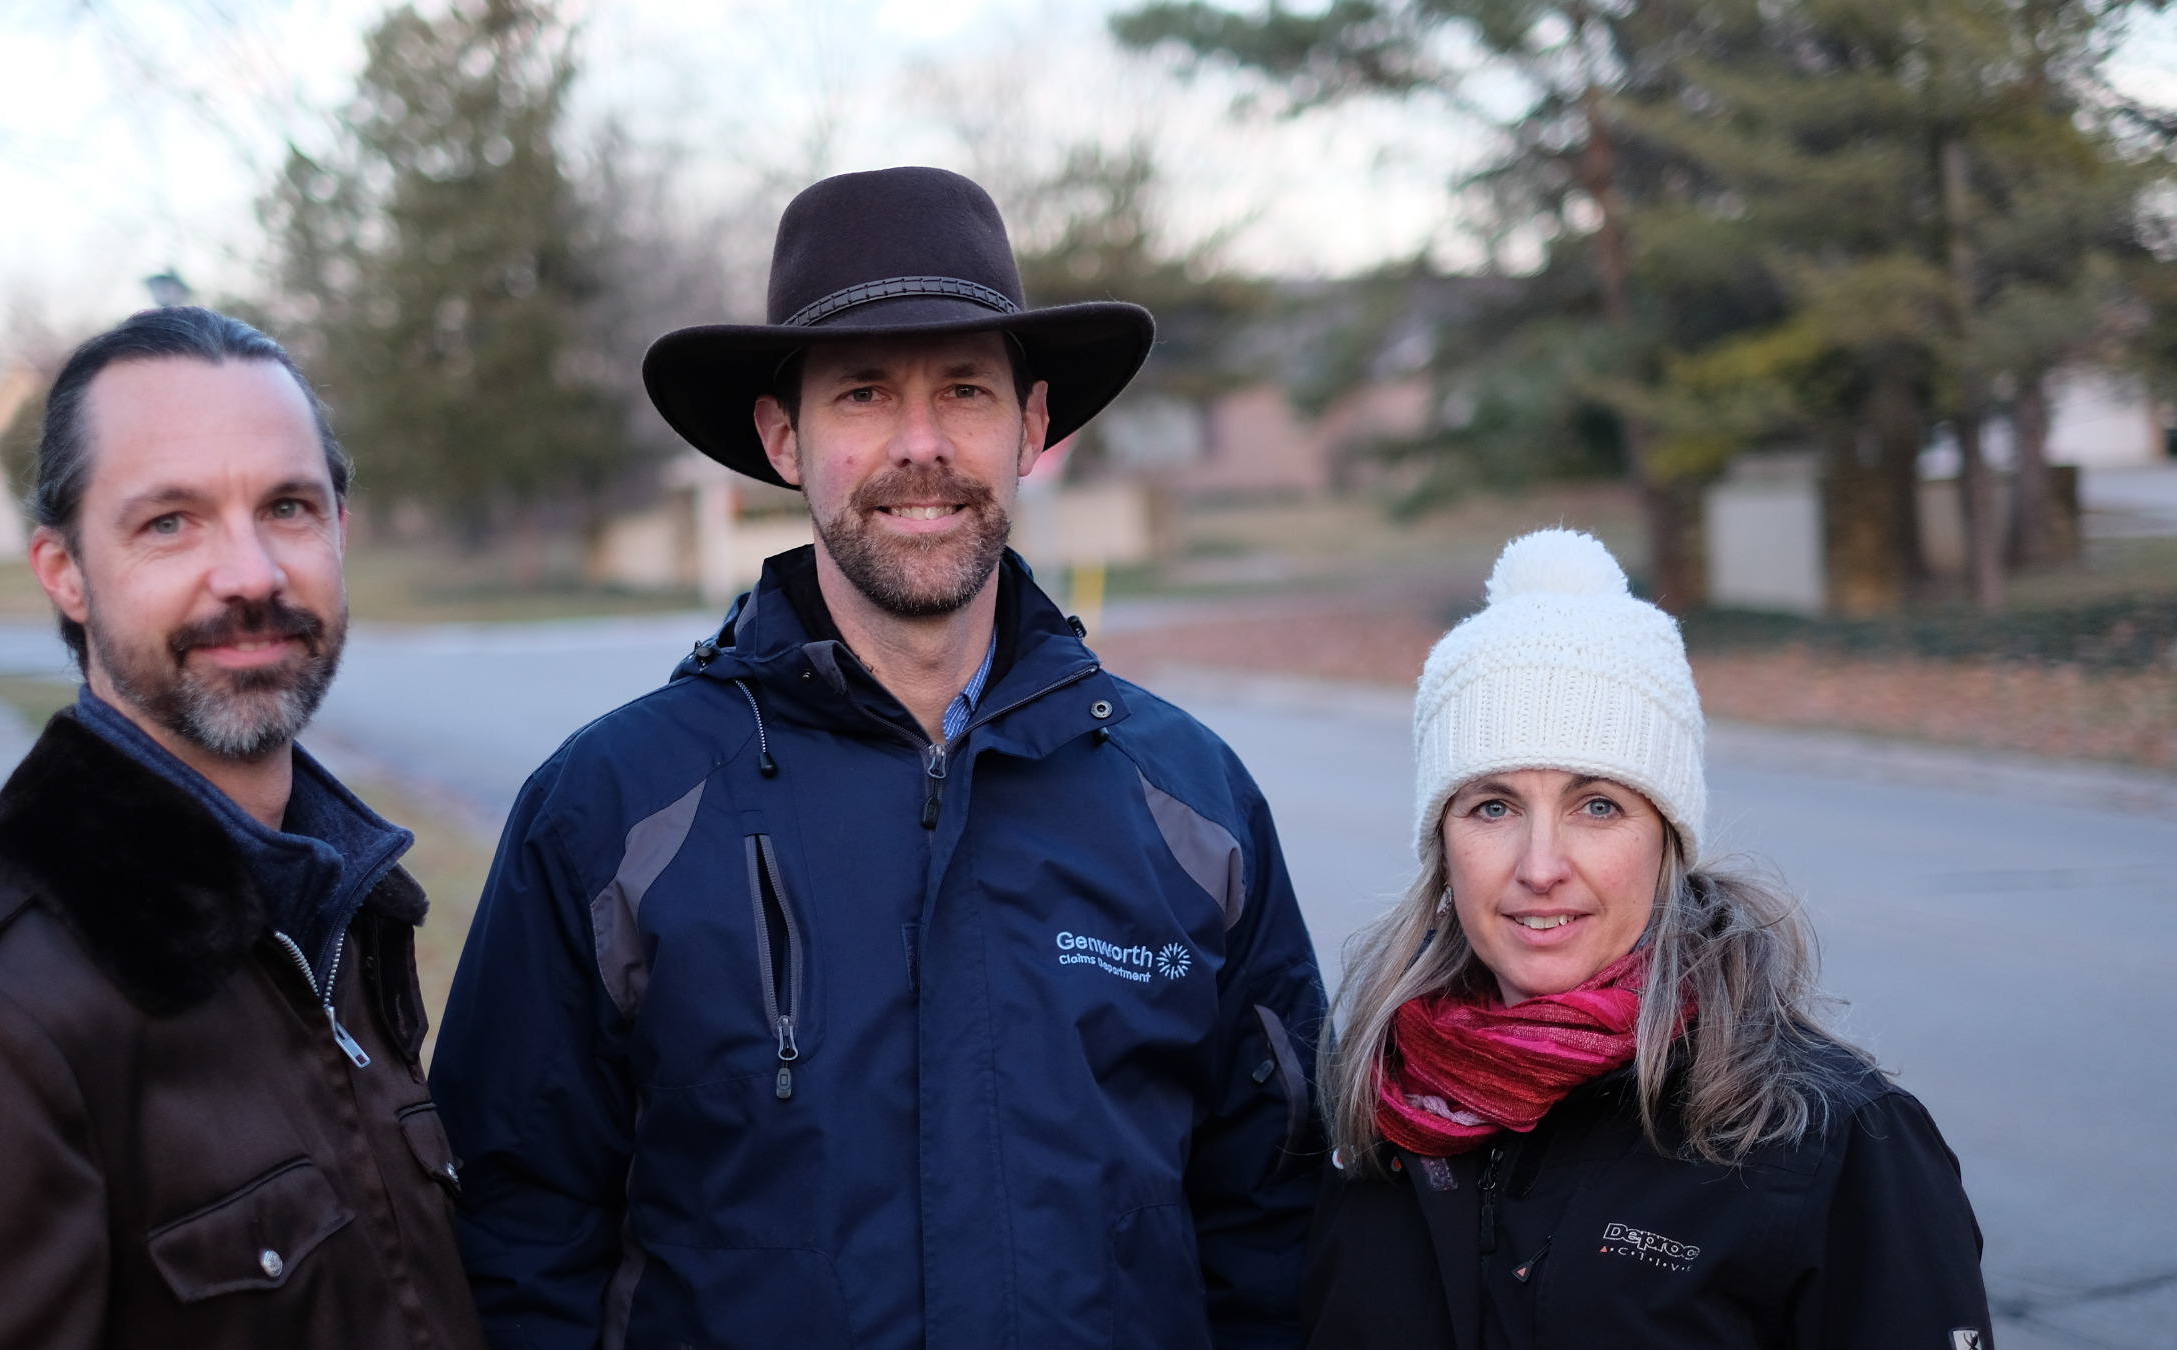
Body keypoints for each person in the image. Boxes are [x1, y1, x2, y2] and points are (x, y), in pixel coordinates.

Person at [430, 166, 1326, 1349]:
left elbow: (1277, 1236)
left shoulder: (1194, 806)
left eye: (965, 389)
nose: (921, 445)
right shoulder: (609, 812)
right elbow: (515, 1240)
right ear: (783, 438)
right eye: (862, 394)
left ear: (1033, 427)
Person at [0, 308, 483, 1350]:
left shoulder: (335, 925)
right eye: (170, 522)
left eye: (287, 507)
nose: (251, 573)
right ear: (64, 570)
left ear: (339, 527)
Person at [1299, 529, 1992, 1349]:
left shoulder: (1825, 1139)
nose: (1541, 866)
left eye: (1597, 806)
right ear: (1443, 844)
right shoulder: (1380, 1098)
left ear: (1666, 839)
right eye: (1493, 806)